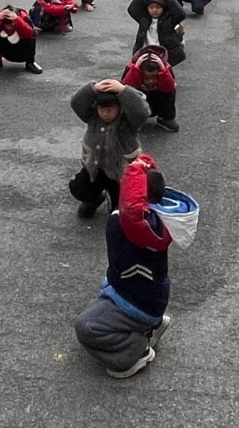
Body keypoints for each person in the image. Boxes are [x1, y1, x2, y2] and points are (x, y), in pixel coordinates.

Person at [72, 154, 175, 379]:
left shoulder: (129, 224)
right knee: (103, 298)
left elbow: (130, 213)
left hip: (134, 301)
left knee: (86, 327)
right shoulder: (156, 221)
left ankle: (136, 350)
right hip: (148, 296)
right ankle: (151, 325)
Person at [70, 79, 150, 219]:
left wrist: (123, 91)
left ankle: (116, 203)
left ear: (120, 108)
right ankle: (96, 198)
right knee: (79, 188)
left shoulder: (128, 122)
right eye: (101, 109)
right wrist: (93, 88)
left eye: (110, 110)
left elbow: (141, 112)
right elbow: (76, 103)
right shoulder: (93, 118)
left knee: (119, 209)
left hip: (120, 172)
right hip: (96, 168)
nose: (105, 114)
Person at [127, 0, 187, 66]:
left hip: (163, 51)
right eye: (151, 7)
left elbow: (180, 14)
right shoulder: (144, 18)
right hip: (146, 49)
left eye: (158, 7)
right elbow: (132, 9)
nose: (154, 10)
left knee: (164, 69)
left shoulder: (169, 19)